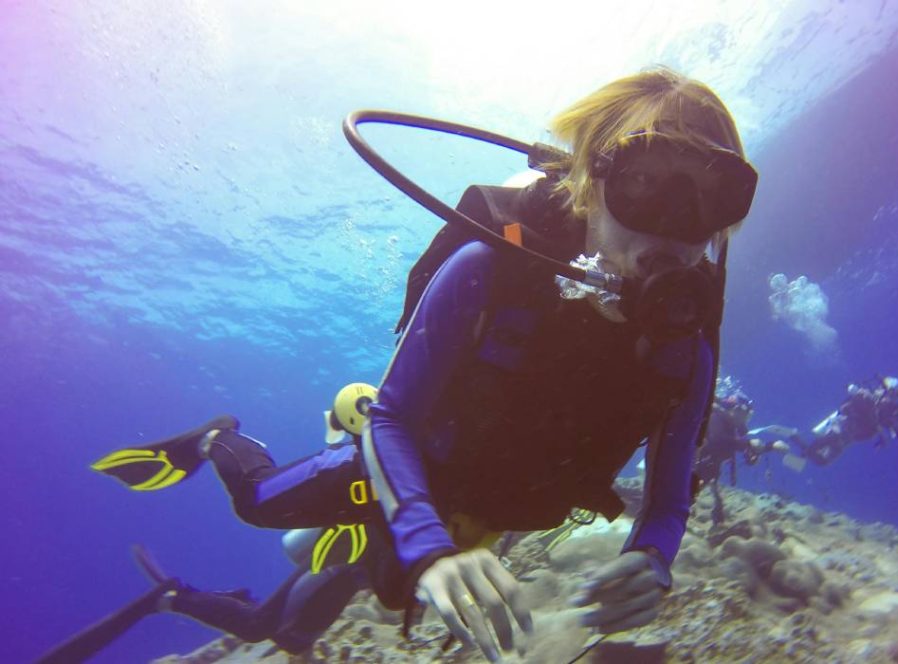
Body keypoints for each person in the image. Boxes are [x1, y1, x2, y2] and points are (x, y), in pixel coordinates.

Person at [92, 67, 758, 662]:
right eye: (644, 185)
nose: (672, 226)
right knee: (259, 506)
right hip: (415, 467)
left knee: (383, 589)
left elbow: (669, 497)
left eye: (711, 198)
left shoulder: (684, 352)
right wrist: (429, 546)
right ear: (590, 183)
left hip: (500, 504)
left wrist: (653, 558)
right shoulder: (489, 272)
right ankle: (217, 437)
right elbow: (394, 418)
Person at [44, 385, 375, 662]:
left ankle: (173, 597)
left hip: (359, 549)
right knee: (253, 500)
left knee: (281, 635)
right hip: (352, 513)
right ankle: (217, 438)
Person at [694, 388, 796, 525]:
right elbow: (717, 440)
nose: (746, 420)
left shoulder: (732, 427)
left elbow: (744, 446)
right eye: (746, 415)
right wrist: (749, 444)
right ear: (737, 410)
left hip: (705, 469)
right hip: (693, 465)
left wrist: (770, 446)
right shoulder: (716, 416)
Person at [795, 376, 898, 466]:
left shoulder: (889, 412)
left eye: (896, 395)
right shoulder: (866, 397)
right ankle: (801, 452)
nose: (892, 398)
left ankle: (795, 439)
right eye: (891, 393)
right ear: (882, 389)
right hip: (842, 426)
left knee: (823, 461)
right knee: (829, 439)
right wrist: (860, 397)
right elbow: (848, 403)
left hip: (851, 438)